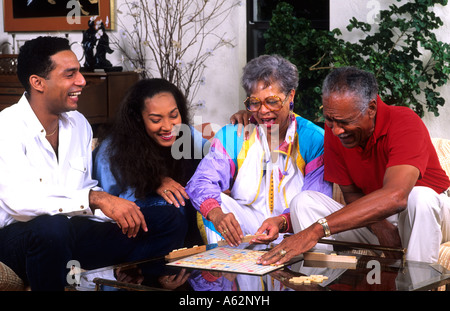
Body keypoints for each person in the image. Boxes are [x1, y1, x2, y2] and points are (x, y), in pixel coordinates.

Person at [0, 36, 186, 290]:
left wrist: (121, 212)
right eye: (70, 74)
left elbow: (83, 189)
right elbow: (19, 203)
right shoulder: (7, 127)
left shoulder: (78, 124)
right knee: (51, 229)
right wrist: (98, 199)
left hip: (72, 230)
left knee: (166, 218)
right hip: (18, 238)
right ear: (38, 82)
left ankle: (139, 275)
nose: (82, 81)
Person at [258, 66, 450, 266]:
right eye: (330, 120)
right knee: (303, 201)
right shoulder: (335, 131)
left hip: (428, 217)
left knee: (420, 197)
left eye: (345, 122)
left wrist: (315, 230)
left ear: (371, 109)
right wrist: (379, 226)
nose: (337, 130)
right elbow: (351, 195)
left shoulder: (404, 121)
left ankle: (417, 283)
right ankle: (321, 279)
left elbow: (397, 196)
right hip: (375, 219)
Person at [185, 55, 332, 246]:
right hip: (246, 230)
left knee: (306, 202)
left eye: (272, 101)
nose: (263, 111)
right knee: (213, 202)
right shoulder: (234, 135)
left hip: (296, 230)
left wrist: (282, 222)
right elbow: (201, 181)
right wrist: (217, 214)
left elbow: (316, 202)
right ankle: (224, 269)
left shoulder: (313, 138)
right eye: (255, 102)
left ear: (291, 96)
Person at [93, 78, 209, 247]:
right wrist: (152, 181)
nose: (168, 126)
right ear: (138, 120)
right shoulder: (110, 152)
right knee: (167, 203)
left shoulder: (187, 134)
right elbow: (106, 209)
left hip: (190, 241)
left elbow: (219, 160)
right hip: (138, 236)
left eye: (174, 115)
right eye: (156, 120)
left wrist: (244, 120)